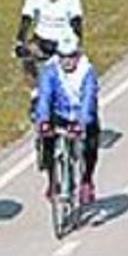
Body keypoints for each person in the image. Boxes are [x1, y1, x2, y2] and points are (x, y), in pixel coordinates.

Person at [34, 35, 101, 205]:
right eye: (63, 56)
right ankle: (52, 180)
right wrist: (43, 120)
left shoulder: (87, 71)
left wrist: (82, 123)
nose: (67, 61)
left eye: (71, 56)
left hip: (81, 115)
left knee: (91, 146)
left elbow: (89, 99)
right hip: (60, 114)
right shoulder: (51, 70)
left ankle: (86, 180)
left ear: (78, 55)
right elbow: (45, 96)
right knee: (47, 142)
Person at [13, 0, 85, 90]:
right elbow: (26, 19)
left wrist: (77, 43)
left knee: (68, 72)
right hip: (41, 39)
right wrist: (20, 41)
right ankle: (35, 93)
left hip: (63, 41)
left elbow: (76, 21)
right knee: (27, 57)